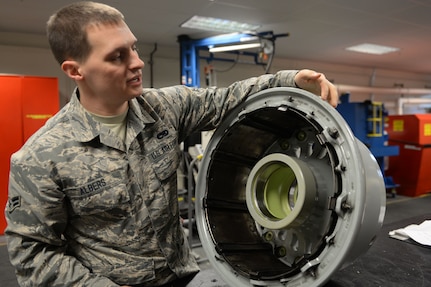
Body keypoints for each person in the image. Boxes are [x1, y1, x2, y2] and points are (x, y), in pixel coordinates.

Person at [4, 1, 339, 287]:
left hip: (180, 275)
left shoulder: (164, 108)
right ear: (75, 70)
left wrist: (291, 80)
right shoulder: (40, 157)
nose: (137, 62)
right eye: (117, 56)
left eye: (133, 47)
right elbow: (33, 254)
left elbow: (227, 99)